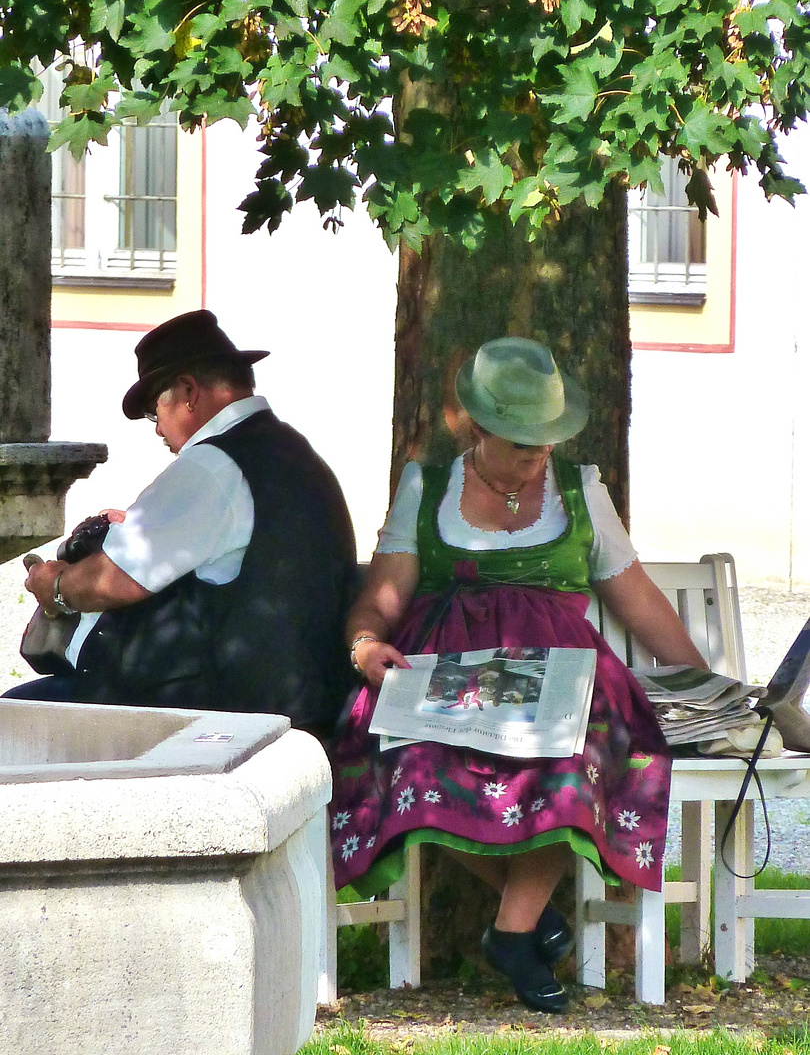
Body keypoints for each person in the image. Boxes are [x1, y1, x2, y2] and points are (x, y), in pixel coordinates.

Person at [329, 337, 707, 1012]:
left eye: (546, 441)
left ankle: (512, 930)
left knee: (573, 756)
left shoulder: (580, 492)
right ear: (478, 428)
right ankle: (521, 912)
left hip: (562, 680)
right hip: (448, 681)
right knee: (412, 762)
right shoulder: (428, 488)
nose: (538, 455)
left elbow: (637, 597)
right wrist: (364, 645)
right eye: (521, 442)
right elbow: (382, 594)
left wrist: (704, 683)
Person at [13, 309, 357, 741]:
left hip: (225, 719)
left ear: (189, 392)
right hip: (302, 705)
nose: (156, 427)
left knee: (15, 724)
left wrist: (55, 586)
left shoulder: (213, 463)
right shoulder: (288, 449)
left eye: (153, 409)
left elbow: (112, 580)